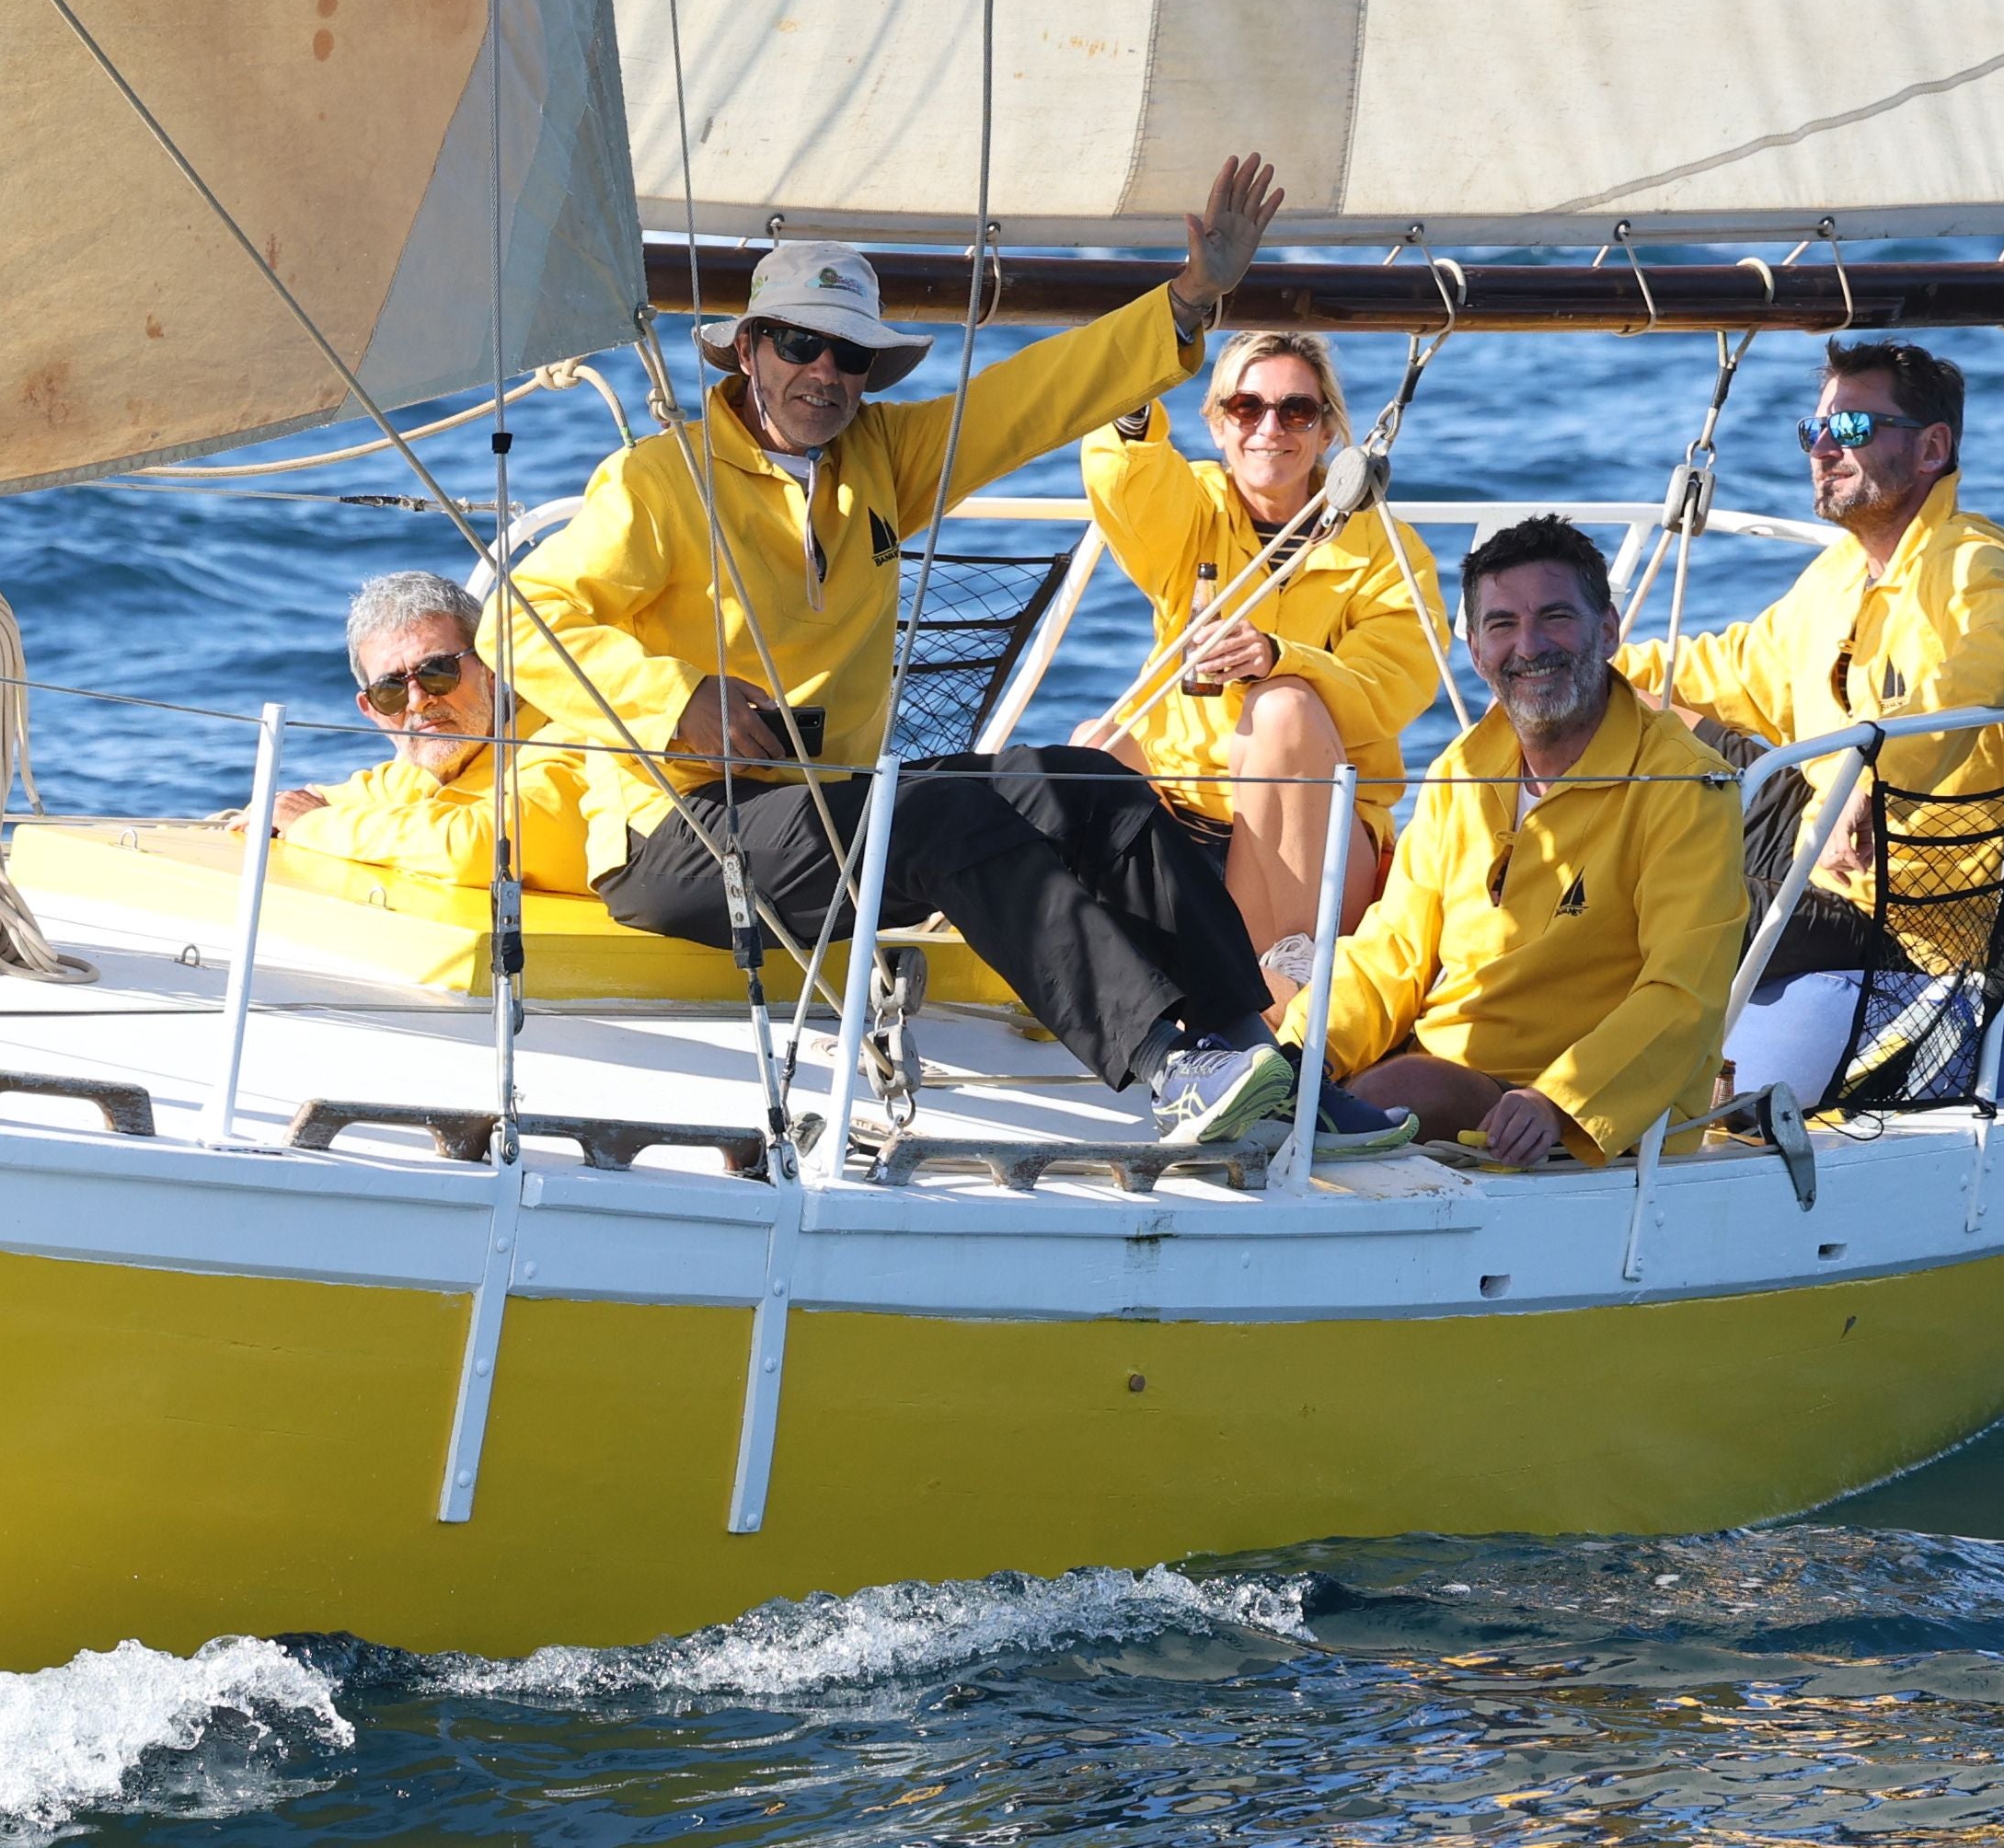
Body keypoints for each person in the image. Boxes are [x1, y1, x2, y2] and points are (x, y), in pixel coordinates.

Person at [502, 155, 1407, 1150]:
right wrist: (672, 701)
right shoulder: (657, 482)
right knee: (937, 819)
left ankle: (1262, 1060)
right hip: (678, 834)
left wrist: (1188, 301)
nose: (825, 373)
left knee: (1088, 784)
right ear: (749, 351)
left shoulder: (882, 459)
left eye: (850, 357)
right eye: (802, 344)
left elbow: (1033, 398)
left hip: (827, 807)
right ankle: (1169, 1068)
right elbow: (519, 614)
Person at [1618, 340, 2004, 1109]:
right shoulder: (1834, 575)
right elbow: (1730, 669)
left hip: (1904, 921)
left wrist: (1872, 773)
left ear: (1931, 448)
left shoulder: (1976, 564)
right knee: (1632, 712)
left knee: (1659, 907)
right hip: (1818, 841)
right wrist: (1577, 667)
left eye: (1853, 428)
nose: (1825, 448)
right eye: (1815, 431)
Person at [1307, 516, 1749, 1168]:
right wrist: (1298, 1055)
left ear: (1608, 630)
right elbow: (1390, 954)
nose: (1530, 645)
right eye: (1503, 625)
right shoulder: (1461, 767)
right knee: (1285, 1033)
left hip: (1588, 1111)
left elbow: (1683, 993)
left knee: (1393, 1090)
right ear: (1478, 651)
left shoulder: (1685, 782)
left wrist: (1556, 1100)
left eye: (1556, 617)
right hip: (1451, 1073)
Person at [1077, 329, 1447, 988]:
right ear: (1219, 425)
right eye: (1247, 408)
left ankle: (1286, 993)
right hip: (1183, 819)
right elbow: (1128, 483)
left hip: (1319, 840)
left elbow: (1395, 684)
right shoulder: (1192, 510)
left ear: (1329, 431)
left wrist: (1280, 659)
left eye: (1296, 411)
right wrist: (1134, 404)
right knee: (1093, 752)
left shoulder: (1384, 547)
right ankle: (1114, 988)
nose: (1269, 428)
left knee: (1283, 711)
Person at [266, 570, 593, 895]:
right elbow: (296, 806)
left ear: (492, 668)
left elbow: (477, 847)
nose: (418, 701)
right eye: (390, 689)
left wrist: (312, 825)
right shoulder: (419, 773)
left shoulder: (571, 744)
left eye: (437, 671)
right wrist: (273, 815)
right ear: (371, 710)